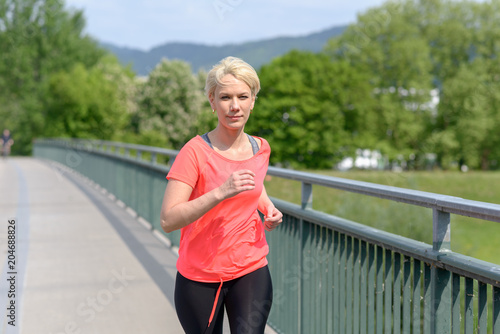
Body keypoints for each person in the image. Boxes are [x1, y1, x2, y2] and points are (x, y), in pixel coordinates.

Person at [160, 56, 283, 334]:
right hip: (200, 276)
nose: (235, 106)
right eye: (225, 97)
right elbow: (168, 219)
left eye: (243, 96)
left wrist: (268, 207)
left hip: (251, 266)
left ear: (253, 100)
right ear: (212, 101)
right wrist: (221, 192)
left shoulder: (260, 148)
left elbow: (254, 183)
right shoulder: (194, 152)